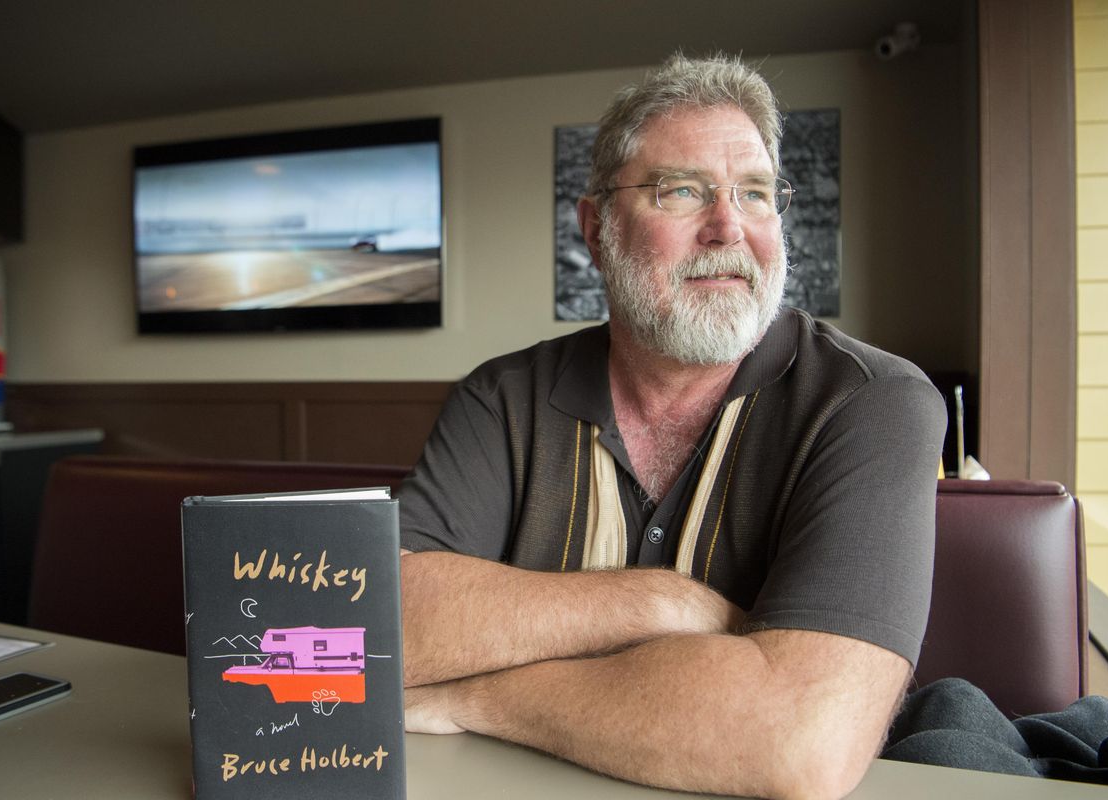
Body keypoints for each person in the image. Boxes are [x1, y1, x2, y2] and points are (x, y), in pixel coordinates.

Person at [397, 53, 947, 800]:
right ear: (597, 230)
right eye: (682, 190)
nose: (728, 227)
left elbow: (796, 742)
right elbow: (377, 626)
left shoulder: (872, 402)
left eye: (754, 194)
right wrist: (664, 605)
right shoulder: (501, 398)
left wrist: (474, 697)